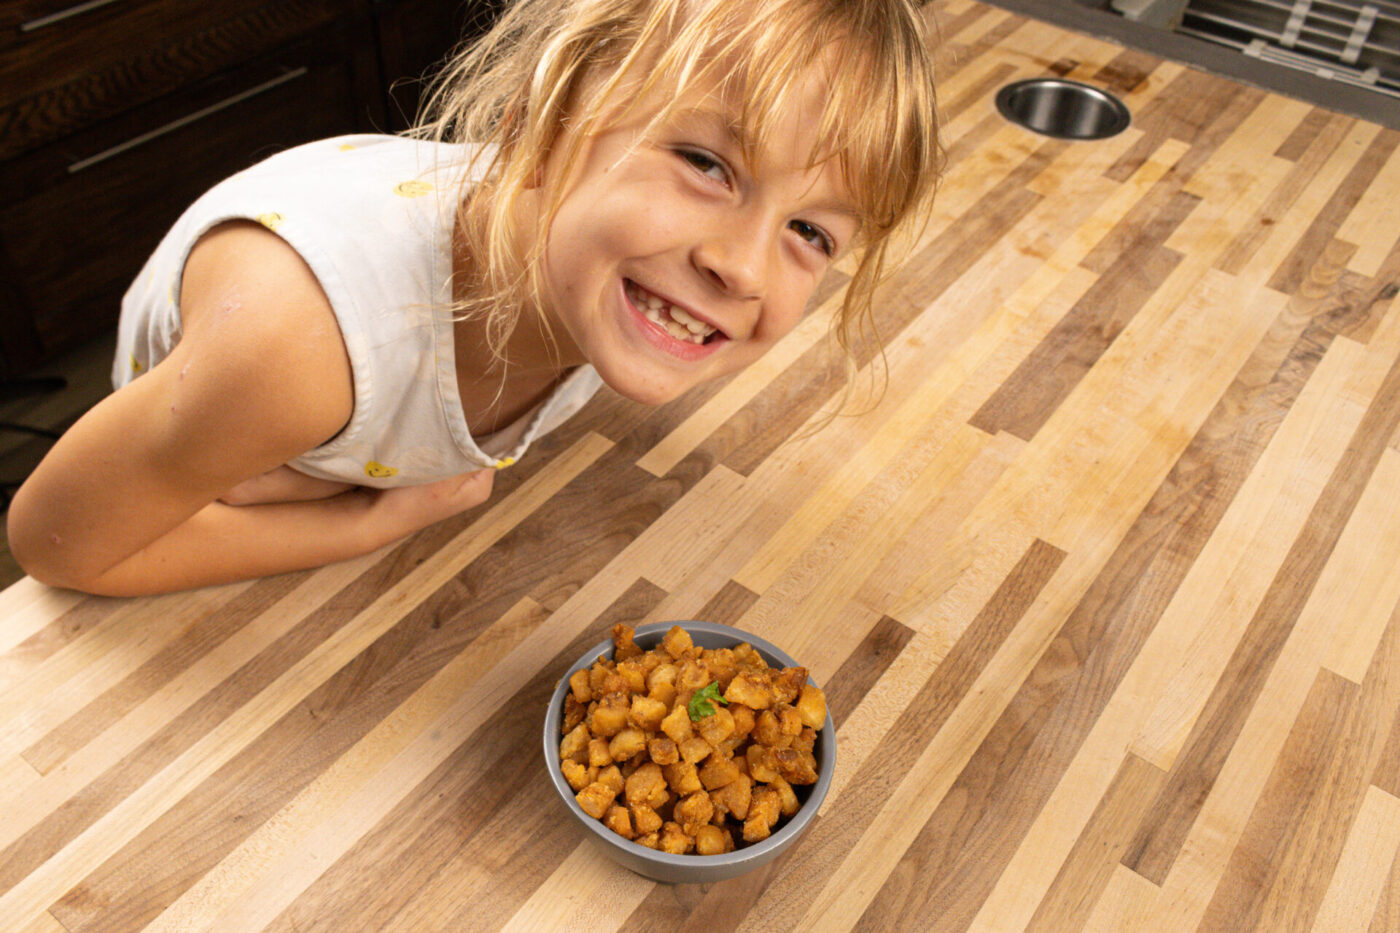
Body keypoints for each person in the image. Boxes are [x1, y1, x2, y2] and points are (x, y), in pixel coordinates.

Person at [7, 0, 941, 596]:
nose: (744, 268)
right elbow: (61, 546)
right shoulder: (296, 349)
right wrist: (370, 521)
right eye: (705, 162)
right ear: (542, 117)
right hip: (206, 460)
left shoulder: (605, 278)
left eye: (811, 233)